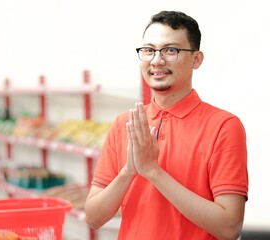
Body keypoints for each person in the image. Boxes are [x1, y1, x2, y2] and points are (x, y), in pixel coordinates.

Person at [85, 10, 248, 240]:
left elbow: (229, 227)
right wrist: (128, 172)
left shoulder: (224, 126)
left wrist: (152, 171)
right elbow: (93, 218)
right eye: (149, 50)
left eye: (170, 50)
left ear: (196, 59)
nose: (156, 60)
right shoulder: (126, 123)